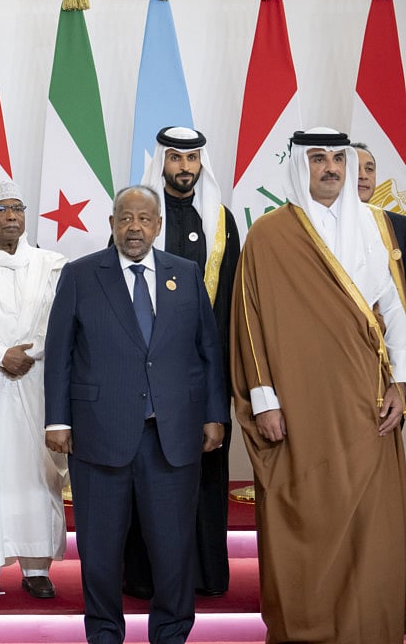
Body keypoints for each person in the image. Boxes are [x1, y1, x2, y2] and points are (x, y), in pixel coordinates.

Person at [232, 128, 406, 643]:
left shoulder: (377, 226)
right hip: (299, 403)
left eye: (337, 158)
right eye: (317, 158)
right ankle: (307, 629)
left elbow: (395, 310)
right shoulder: (269, 232)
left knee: (372, 522)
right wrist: (263, 400)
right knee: (306, 513)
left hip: (366, 401)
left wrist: (401, 381)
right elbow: (249, 322)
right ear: (298, 166)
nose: (329, 168)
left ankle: (367, 627)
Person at [45, 185, 228, 644]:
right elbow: (59, 352)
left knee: (172, 548)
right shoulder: (81, 274)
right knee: (101, 552)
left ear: (158, 226)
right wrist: (57, 420)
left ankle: (171, 633)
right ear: (111, 223)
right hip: (99, 436)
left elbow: (208, 350)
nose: (134, 227)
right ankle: (104, 632)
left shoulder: (185, 275)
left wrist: (214, 415)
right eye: (125, 218)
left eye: (145, 219)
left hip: (172, 437)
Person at [123, 126, 239, 598]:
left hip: (203, 374)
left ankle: (204, 576)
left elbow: (231, 300)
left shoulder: (221, 221)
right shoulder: (139, 219)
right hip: (147, 376)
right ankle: (145, 578)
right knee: (149, 471)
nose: (184, 169)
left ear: (201, 165)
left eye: (192, 160)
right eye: (175, 159)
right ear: (162, 163)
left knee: (204, 470)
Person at [0, 181, 67, 600]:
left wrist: (29, 352)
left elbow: (58, 319)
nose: (12, 216)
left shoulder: (52, 264)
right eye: (1, 210)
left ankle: (37, 566)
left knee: (39, 471)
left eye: (17, 208)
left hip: (39, 381)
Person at [352, 141, 406, 254]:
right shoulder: (321, 223)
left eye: (369, 169)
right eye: (354, 168)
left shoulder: (399, 226)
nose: (363, 176)